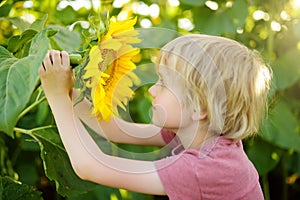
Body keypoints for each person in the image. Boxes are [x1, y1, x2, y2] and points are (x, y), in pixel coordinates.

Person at [39, 34, 271, 199]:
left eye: (163, 83)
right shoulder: (198, 133)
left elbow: (91, 167)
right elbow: (114, 129)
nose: (152, 89)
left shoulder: (203, 169)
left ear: (199, 107)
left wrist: (56, 96)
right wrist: (69, 91)